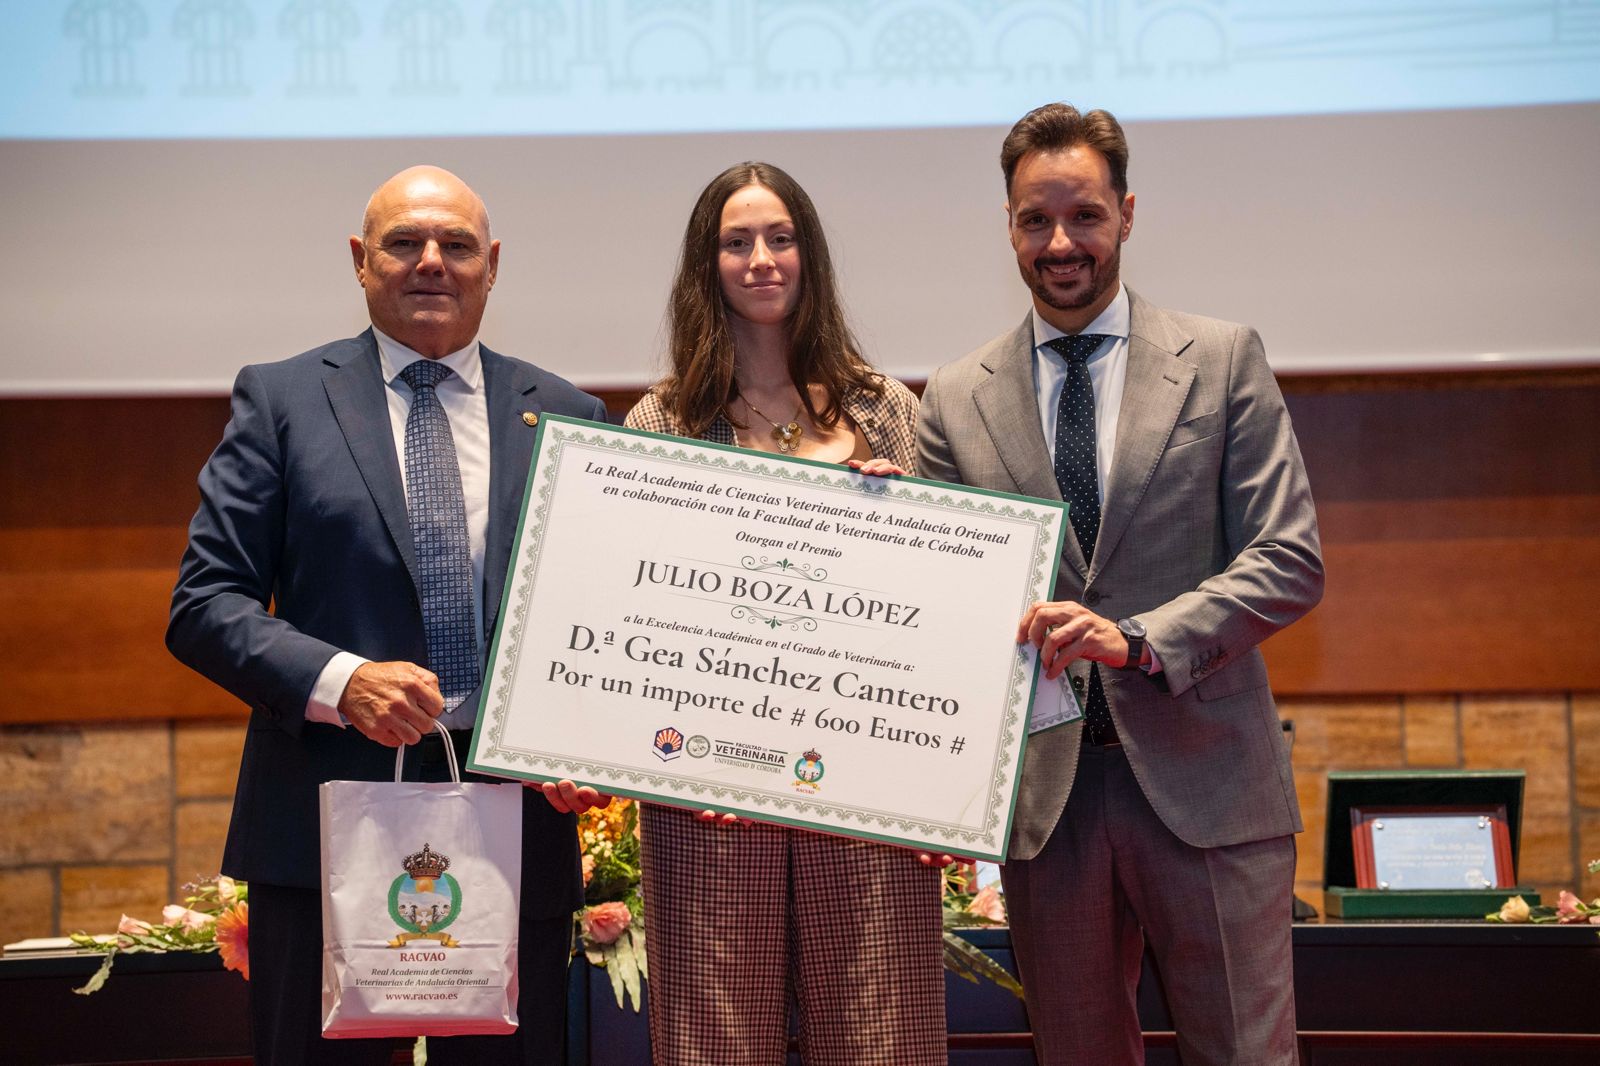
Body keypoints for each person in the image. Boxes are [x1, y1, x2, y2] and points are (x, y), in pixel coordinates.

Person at [167, 165, 610, 1066]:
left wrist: (585, 742)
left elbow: (595, 622)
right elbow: (204, 603)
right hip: (325, 827)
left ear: (492, 265)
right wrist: (344, 681)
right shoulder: (283, 400)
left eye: (455, 246)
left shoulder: (565, 415)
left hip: (513, 830)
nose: (431, 263)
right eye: (405, 243)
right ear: (361, 261)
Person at [916, 104, 1325, 1065]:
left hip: (1208, 780)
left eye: (1086, 216)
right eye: (1034, 220)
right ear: (1008, 224)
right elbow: (939, 601)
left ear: (1128, 215)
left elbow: (1288, 558)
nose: (1061, 243)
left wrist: (1139, 637)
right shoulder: (953, 396)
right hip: (1049, 803)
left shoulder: (1223, 361)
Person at [624, 162, 945, 1066]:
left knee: (887, 1046)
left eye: (780, 237)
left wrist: (910, 523)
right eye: (736, 242)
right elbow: (638, 618)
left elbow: (940, 618)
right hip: (711, 806)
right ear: (706, 264)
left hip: (871, 803)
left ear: (810, 254)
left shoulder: (888, 414)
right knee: (715, 1050)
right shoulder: (662, 425)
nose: (761, 259)